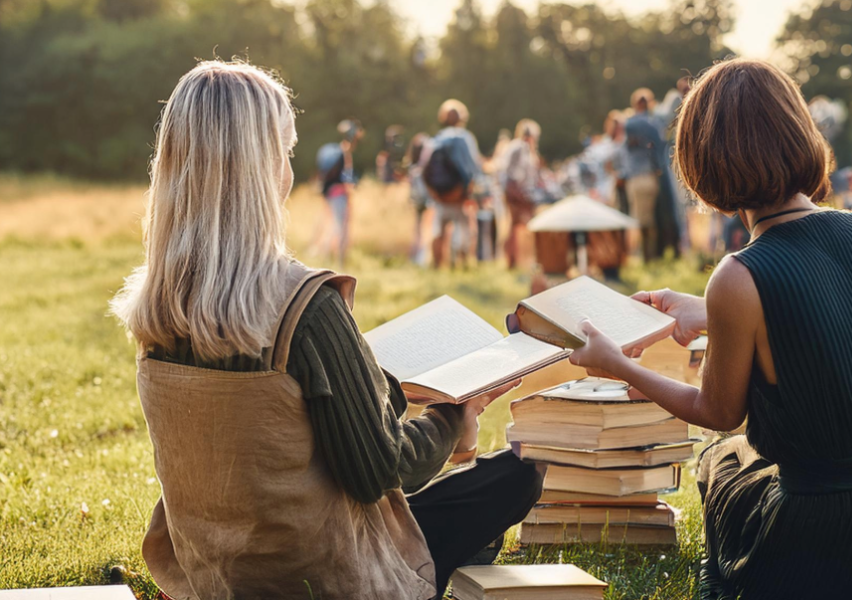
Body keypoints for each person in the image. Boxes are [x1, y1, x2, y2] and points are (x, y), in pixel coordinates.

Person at [111, 61, 542, 600]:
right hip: (321, 575)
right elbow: (384, 470)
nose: (290, 174)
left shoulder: (154, 311)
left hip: (210, 574)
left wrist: (378, 392)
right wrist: (455, 416)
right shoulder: (307, 306)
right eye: (286, 154)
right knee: (518, 475)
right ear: (263, 168)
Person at [567, 59, 852, 600]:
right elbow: (843, 333)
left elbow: (719, 414)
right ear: (800, 131)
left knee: (723, 459)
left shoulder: (738, 276)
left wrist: (618, 364)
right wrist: (710, 313)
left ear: (702, 160)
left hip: (844, 547)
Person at [422, 99, 485, 268]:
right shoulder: (465, 138)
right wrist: (469, 190)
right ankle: (460, 264)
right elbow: (473, 167)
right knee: (463, 229)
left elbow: (424, 168)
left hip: (440, 196)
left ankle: (437, 264)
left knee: (439, 230)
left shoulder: (436, 139)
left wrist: (433, 191)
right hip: (458, 196)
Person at [623, 88, 667, 261]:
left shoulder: (629, 124)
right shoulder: (653, 125)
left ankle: (646, 256)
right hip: (650, 176)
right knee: (649, 217)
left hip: (636, 177)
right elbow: (659, 149)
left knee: (641, 220)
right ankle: (651, 254)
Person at [314, 119, 362, 266]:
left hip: (331, 194)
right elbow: (345, 178)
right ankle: (341, 260)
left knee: (334, 225)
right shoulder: (345, 153)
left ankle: (326, 257)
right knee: (341, 227)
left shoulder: (336, 152)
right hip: (339, 195)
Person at [501, 119, 541, 269]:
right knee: (517, 226)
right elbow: (512, 174)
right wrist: (519, 193)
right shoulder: (520, 148)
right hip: (518, 194)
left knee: (516, 227)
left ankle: (518, 260)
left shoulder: (520, 148)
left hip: (520, 193)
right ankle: (514, 260)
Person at [406, 132, 431, 265]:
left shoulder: (412, 167)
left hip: (416, 202)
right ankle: (422, 259)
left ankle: (415, 257)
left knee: (417, 230)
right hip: (426, 201)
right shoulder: (424, 168)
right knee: (425, 230)